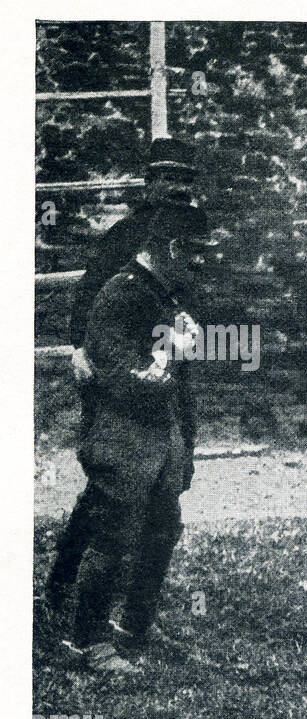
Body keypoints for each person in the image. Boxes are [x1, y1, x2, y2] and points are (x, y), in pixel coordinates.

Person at [42, 138, 200, 623]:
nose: (175, 189)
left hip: (171, 372)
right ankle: (65, 586)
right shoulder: (125, 238)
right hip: (122, 377)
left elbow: (202, 307)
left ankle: (131, 611)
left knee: (165, 488)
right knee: (110, 490)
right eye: (166, 179)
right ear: (150, 184)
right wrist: (79, 349)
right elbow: (92, 300)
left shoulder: (192, 238)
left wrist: (189, 347)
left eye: (183, 182)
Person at [60, 201, 214, 673]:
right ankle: (87, 641)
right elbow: (123, 381)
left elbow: (171, 374)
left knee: (162, 530)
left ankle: (135, 626)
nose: (198, 264)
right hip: (123, 437)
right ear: (170, 248)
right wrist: (175, 352)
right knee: (113, 536)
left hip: (158, 437)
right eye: (193, 253)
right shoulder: (122, 295)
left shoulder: (162, 293)